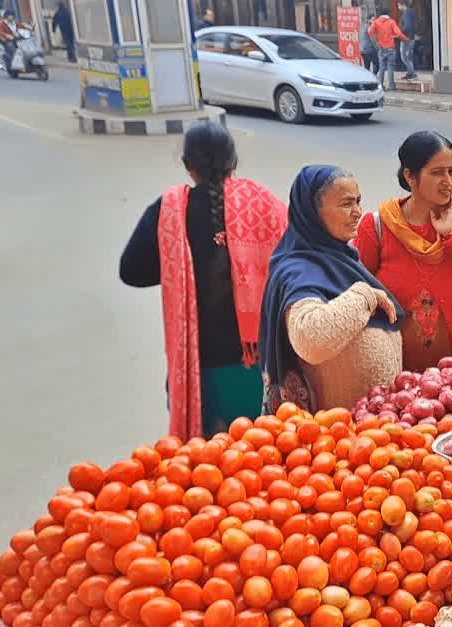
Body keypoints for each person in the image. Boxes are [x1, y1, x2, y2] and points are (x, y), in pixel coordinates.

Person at [120, 122, 287, 438]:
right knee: (259, 460)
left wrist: (178, 268)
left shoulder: (168, 210)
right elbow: (292, 257)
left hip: (198, 362)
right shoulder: (263, 204)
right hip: (256, 363)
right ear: (233, 162)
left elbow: (131, 271)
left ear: (188, 165)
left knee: (206, 468)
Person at [356, 131, 452, 372]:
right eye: (437, 173)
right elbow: (358, 294)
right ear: (410, 176)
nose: (448, 181)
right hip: (393, 371)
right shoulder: (378, 227)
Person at [259, 165, 403, 412]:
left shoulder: (343, 259)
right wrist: (364, 295)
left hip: (372, 432)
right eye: (346, 204)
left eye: (358, 201)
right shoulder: (297, 270)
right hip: (329, 437)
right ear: (313, 213)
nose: (357, 212)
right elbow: (310, 338)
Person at [368, 9, 408, 91]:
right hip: (390, 48)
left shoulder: (376, 22)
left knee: (382, 68)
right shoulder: (391, 22)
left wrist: (377, 41)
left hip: (381, 48)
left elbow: (370, 31)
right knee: (390, 68)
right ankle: (392, 86)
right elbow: (398, 33)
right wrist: (406, 39)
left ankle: (380, 86)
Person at [399, 0, 417, 81]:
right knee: (409, 56)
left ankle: (412, 74)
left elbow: (407, 26)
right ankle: (410, 73)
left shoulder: (406, 13)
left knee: (404, 57)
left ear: (402, 5)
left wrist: (400, 32)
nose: (398, 7)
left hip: (406, 38)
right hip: (411, 37)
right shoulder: (411, 13)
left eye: (398, 5)